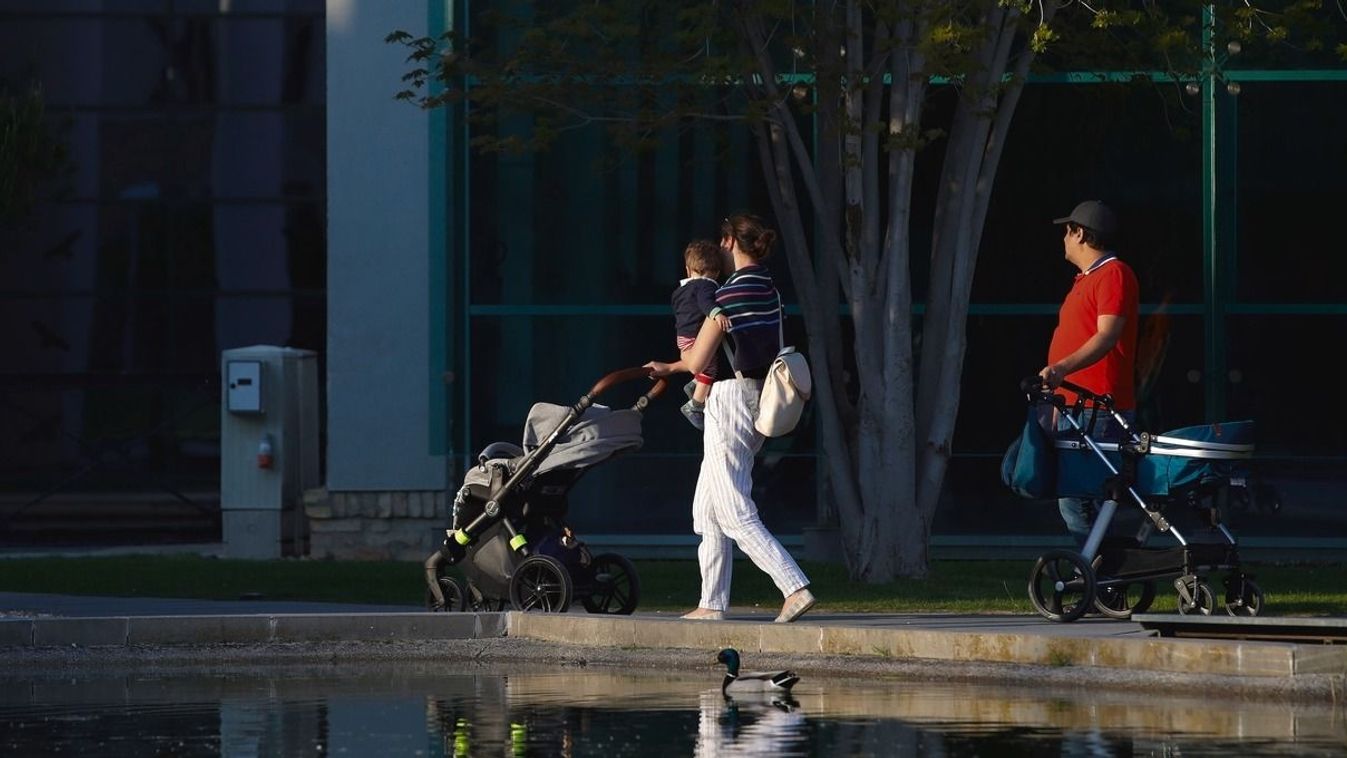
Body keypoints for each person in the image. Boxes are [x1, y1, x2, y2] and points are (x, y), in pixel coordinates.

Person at [645, 212, 815, 624]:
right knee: (708, 508)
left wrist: (668, 368)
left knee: (735, 508)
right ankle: (711, 603)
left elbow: (698, 358)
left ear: (728, 243)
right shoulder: (769, 289)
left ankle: (793, 586)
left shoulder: (728, 293)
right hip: (758, 396)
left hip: (730, 400)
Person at [1038, 200, 1139, 547]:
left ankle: (1100, 571)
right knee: (1077, 498)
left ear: (1079, 233)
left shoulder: (1113, 274)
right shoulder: (1087, 279)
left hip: (1097, 407)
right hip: (1074, 406)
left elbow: (1107, 335)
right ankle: (1102, 571)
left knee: (1079, 499)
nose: (1064, 238)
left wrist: (1061, 368)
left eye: (1067, 231)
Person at [671, 239, 723, 431]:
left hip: (682, 338)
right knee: (710, 369)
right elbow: (705, 302)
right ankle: (695, 405)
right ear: (717, 272)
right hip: (694, 337)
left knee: (704, 366)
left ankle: (694, 383)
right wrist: (716, 313)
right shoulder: (707, 286)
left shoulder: (681, 290)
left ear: (687, 269)